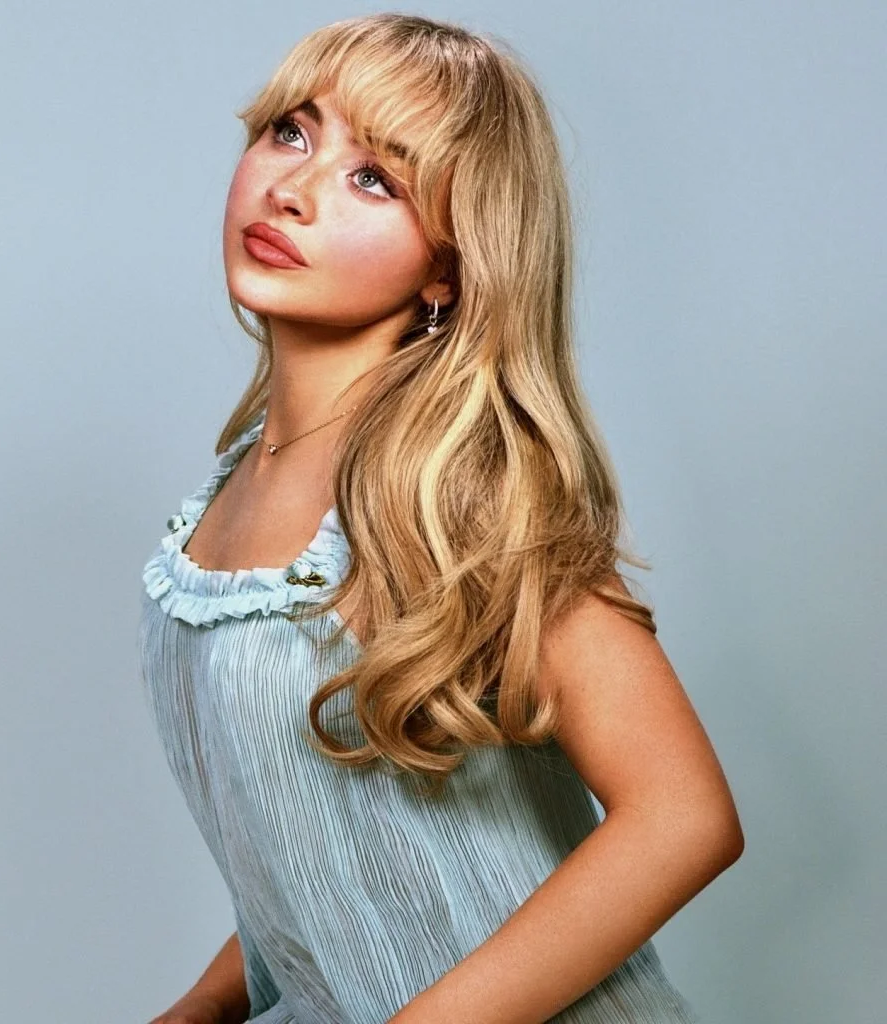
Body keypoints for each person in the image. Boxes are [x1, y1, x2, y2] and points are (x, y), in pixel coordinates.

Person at [139, 13, 744, 1024]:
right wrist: (205, 1004)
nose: (293, 188)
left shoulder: (453, 494)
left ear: (449, 267)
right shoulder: (228, 495)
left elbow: (684, 816)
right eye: (291, 130)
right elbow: (331, 846)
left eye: (375, 178)